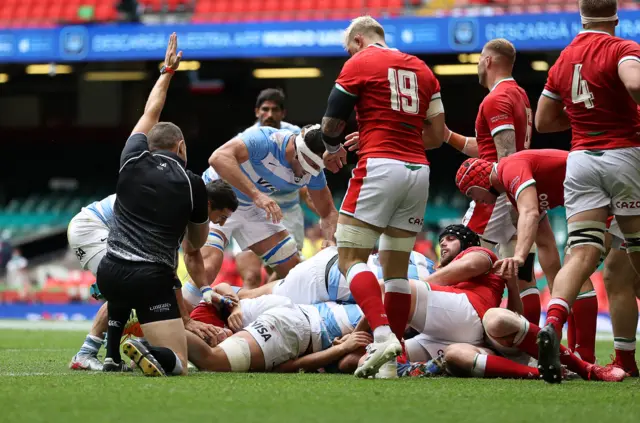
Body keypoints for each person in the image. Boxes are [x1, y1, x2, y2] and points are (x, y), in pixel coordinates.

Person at [96, 33, 231, 377]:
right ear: (181, 147)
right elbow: (197, 243)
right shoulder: (193, 183)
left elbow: (150, 111)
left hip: (110, 273)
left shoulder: (130, 158)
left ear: (148, 142)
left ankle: (112, 351)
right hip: (151, 278)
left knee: (121, 293)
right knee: (178, 363)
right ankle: (143, 346)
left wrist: (166, 72)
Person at [320, 15, 444, 378]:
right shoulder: (423, 70)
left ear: (358, 41)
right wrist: (379, 133)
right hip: (417, 171)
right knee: (396, 271)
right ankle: (394, 363)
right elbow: (435, 136)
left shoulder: (359, 62)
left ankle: (382, 334)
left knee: (349, 257)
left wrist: (332, 149)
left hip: (379, 167)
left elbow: (330, 124)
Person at [533, 0, 640, 383]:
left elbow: (543, 120)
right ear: (615, 17)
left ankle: (554, 322)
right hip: (625, 156)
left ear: (581, 16)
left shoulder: (564, 59)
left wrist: (583, 114)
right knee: (635, 257)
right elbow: (635, 83)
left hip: (580, 160)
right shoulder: (622, 48)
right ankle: (626, 359)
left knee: (581, 254)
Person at [67, 181, 238, 371]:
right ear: (207, 205)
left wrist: (206, 290)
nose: (221, 224)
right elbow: (169, 271)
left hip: (103, 226)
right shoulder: (178, 212)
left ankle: (113, 356)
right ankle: (87, 354)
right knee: (125, 281)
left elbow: (192, 253)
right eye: (221, 216)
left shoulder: (186, 205)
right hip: (92, 226)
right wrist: (186, 320)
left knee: (128, 285)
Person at [455, 151, 599, 363]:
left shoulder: (511, 168)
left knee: (580, 267)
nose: (477, 200)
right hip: (592, 195)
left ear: (477, 182)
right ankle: (579, 354)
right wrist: (557, 293)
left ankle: (586, 356)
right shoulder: (518, 193)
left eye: (471, 194)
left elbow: (530, 213)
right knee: (577, 272)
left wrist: (520, 257)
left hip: (601, 191)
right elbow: (546, 243)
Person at [441, 38, 539, 325]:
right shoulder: (519, 95)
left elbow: (505, 158)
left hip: (498, 197)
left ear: (488, 61)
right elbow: (488, 149)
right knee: (522, 274)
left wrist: (510, 198)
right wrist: (447, 135)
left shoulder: (496, 99)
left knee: (457, 255)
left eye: (478, 59)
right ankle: (530, 344)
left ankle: (452, 330)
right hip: (522, 191)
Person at [202, 124, 338, 297]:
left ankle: (243, 300)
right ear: (298, 152)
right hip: (218, 198)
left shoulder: (314, 171)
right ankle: (188, 318)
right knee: (208, 268)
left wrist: (329, 241)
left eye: (316, 168)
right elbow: (218, 157)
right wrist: (257, 195)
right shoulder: (265, 140)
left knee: (297, 274)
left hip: (251, 207)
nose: (309, 173)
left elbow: (328, 212)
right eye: (309, 165)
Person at [226, 88, 320, 289]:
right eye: (265, 109)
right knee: (250, 276)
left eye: (274, 110)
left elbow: (309, 183)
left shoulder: (298, 137)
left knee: (285, 276)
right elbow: (227, 168)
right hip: (252, 212)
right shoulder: (246, 139)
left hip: (288, 214)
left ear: (283, 113)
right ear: (257, 111)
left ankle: (265, 310)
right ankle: (250, 314)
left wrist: (323, 214)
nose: (269, 114)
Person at [229, 247, 435, 307]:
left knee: (261, 293)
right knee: (252, 298)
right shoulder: (424, 265)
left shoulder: (423, 261)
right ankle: (217, 300)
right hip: (321, 281)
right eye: (446, 238)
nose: (444, 244)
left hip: (331, 268)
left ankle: (218, 297)